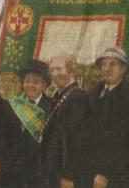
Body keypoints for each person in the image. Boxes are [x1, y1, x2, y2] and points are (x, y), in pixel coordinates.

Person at [87, 47, 129, 188]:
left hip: (114, 177)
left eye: (112, 64)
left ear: (123, 69)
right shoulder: (91, 95)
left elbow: (125, 142)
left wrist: (105, 173)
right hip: (87, 172)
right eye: (104, 65)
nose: (107, 68)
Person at [41, 53, 89, 188]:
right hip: (52, 170)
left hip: (64, 174)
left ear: (71, 71)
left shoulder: (77, 98)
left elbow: (76, 140)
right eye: (52, 70)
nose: (54, 74)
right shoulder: (60, 95)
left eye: (59, 69)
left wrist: (68, 176)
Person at [9, 60, 52, 188]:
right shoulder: (14, 103)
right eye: (27, 81)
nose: (31, 85)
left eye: (36, 82)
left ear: (44, 85)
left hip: (39, 170)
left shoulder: (52, 107)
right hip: (14, 169)